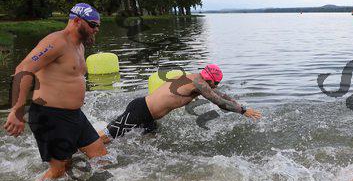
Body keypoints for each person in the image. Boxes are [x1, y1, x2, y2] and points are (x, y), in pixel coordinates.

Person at [3, 3, 107, 179]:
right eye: (92, 25)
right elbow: (23, 69)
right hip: (50, 116)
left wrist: (89, 34)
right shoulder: (56, 42)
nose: (96, 29)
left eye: (98, 26)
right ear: (77, 21)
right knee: (58, 172)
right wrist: (17, 110)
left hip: (75, 116)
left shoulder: (80, 45)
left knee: (102, 158)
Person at [99, 64, 261, 143]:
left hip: (149, 116)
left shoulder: (196, 79)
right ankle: (86, 147)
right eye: (216, 83)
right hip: (140, 110)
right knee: (105, 137)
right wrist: (242, 111)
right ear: (210, 80)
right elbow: (219, 101)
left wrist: (241, 106)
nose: (216, 86)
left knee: (149, 143)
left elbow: (222, 95)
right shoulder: (199, 84)